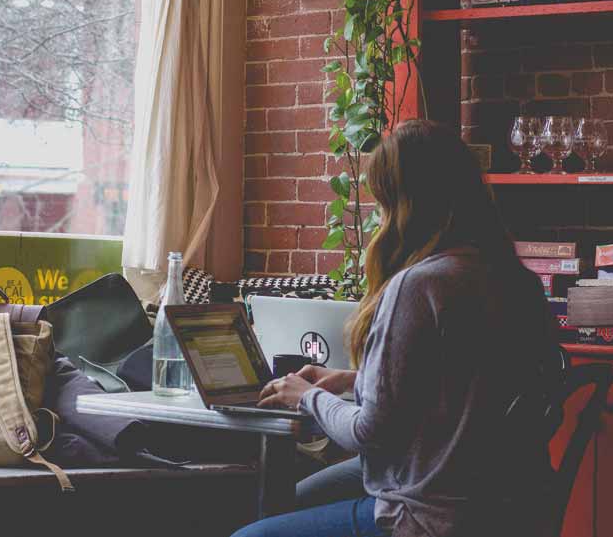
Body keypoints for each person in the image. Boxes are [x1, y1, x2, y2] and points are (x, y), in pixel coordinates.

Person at [233, 120, 560, 537]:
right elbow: (464, 387)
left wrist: (307, 396)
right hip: (504, 504)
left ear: (405, 205)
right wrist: (353, 379)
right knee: (285, 500)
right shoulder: (517, 281)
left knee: (250, 532)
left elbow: (368, 432)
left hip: (431, 512)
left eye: (383, 201)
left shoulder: (420, 286)